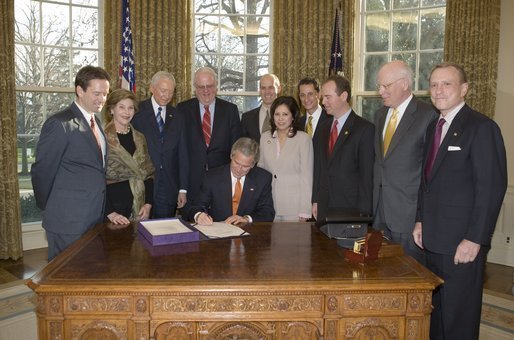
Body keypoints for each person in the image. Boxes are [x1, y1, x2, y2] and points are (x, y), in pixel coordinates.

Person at [413, 62, 507, 340]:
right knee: (437, 314)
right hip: (432, 240)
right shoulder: (434, 127)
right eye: (433, 84)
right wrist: (420, 219)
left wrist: (475, 239)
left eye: (447, 84)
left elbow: (491, 188)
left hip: (461, 244)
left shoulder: (482, 127)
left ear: (464, 89)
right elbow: (426, 182)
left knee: (459, 319)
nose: (439, 90)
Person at [31, 65, 110, 261]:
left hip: (94, 219)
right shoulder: (59, 124)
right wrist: (51, 207)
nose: (102, 99)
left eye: (105, 94)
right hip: (67, 222)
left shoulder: (97, 122)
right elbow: (42, 172)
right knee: (63, 282)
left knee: (87, 278)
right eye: (97, 93)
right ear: (79, 90)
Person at [372, 60, 437, 264]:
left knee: (408, 278)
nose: (381, 91)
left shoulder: (428, 116)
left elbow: (431, 174)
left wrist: (423, 217)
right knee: (379, 275)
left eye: (386, 85)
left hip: (408, 216)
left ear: (404, 84)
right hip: (378, 213)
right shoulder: (380, 115)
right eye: (379, 86)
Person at [312, 74, 374, 222]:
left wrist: (365, 212)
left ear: (344, 96)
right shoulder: (322, 129)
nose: (323, 102)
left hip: (351, 210)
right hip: (324, 208)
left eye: (327, 97)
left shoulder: (365, 129)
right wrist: (315, 199)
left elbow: (367, 176)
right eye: (322, 97)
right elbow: (319, 168)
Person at [177, 67, 242, 205]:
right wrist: (182, 188)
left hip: (222, 182)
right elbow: (179, 150)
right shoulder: (182, 110)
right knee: (193, 223)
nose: (205, 91)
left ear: (216, 87)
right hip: (192, 183)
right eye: (201, 87)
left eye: (210, 86)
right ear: (195, 88)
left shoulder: (230, 110)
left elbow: (236, 148)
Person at [131, 71, 189, 218]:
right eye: (163, 90)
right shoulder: (136, 112)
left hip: (168, 185)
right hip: (142, 183)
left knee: (163, 233)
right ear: (152, 88)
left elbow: (182, 154)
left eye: (170, 92)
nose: (167, 95)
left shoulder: (178, 117)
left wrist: (183, 189)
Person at [188, 137, 275, 225]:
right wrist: (199, 215)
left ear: (253, 164)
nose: (239, 169)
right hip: (219, 231)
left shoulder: (263, 178)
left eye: (245, 166)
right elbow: (196, 206)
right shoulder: (212, 177)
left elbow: (268, 212)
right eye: (236, 163)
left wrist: (246, 219)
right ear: (231, 156)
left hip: (248, 232)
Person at [102, 89, 154, 225]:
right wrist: (110, 212)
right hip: (113, 210)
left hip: (140, 207)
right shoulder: (102, 138)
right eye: (122, 107)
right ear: (111, 109)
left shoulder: (140, 138)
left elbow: (148, 174)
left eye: (130, 108)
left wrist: (148, 204)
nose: (127, 112)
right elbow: (96, 180)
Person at [258, 96, 313, 221]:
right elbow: (260, 170)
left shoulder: (303, 139)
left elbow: (307, 176)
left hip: (294, 208)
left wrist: (304, 211)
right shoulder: (265, 137)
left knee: (293, 241)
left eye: (285, 114)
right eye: (277, 114)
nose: (280, 118)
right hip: (269, 205)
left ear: (293, 116)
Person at [241, 74, 282, 142]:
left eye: (271, 87)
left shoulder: (288, 117)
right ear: (260, 90)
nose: (267, 92)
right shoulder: (247, 118)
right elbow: (243, 146)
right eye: (263, 88)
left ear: (279, 89)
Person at [296, 77, 330, 142]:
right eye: (302, 95)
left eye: (310, 94)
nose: (306, 99)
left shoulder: (331, 120)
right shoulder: (298, 123)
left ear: (319, 94)